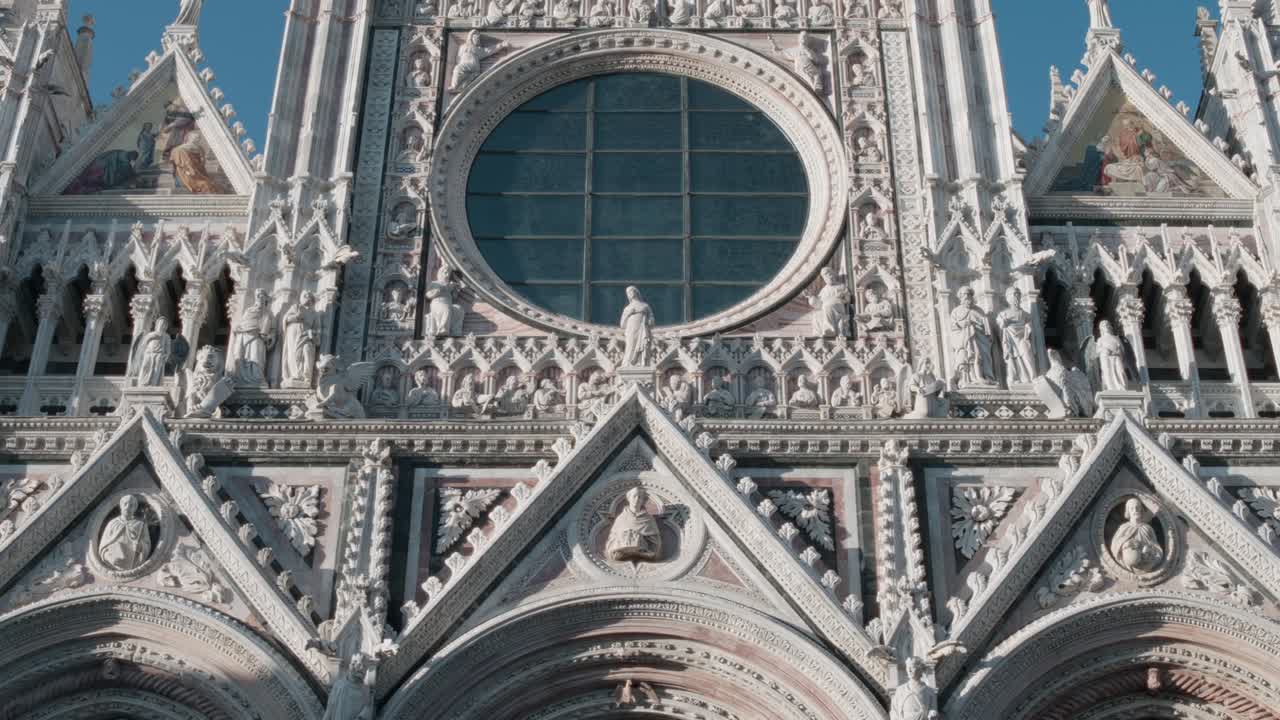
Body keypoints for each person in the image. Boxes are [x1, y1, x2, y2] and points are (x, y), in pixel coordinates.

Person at [949, 287, 995, 386]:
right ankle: (966, 379)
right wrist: (964, 325)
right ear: (960, 297)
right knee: (965, 357)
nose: (966, 296)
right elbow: (953, 327)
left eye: (969, 294)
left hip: (979, 340)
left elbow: (986, 328)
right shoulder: (956, 311)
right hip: (963, 340)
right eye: (964, 295)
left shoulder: (979, 311)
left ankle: (981, 377)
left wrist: (976, 327)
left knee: (979, 357)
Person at [231, 289, 276, 387]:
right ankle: (242, 379)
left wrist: (268, 337)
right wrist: (237, 328)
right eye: (258, 295)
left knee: (256, 357)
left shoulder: (268, 314)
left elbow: (272, 330)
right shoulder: (249, 310)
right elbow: (242, 322)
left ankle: (257, 379)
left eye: (262, 295)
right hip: (244, 335)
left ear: (266, 299)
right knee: (242, 357)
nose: (260, 297)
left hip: (258, 337)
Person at [606, 487, 661, 562]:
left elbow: (655, 542)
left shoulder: (648, 519)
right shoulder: (621, 518)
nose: (637, 499)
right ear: (629, 499)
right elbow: (612, 539)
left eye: (640, 497)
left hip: (644, 552)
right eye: (634, 496)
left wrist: (648, 549)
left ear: (642, 501)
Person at [1109, 498, 1164, 573]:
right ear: (1128, 511)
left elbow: (1156, 547)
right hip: (1128, 559)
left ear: (1141, 510)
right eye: (1132, 508)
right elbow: (1114, 545)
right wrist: (1124, 544)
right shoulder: (1124, 528)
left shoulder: (1147, 528)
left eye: (1137, 507)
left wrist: (1149, 549)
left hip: (1147, 561)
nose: (1135, 510)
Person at [99, 495, 152, 572]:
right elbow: (104, 544)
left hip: (133, 560)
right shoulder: (112, 523)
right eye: (125, 504)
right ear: (121, 506)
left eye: (131, 505)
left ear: (135, 508)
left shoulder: (140, 524)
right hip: (113, 558)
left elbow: (147, 543)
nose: (127, 507)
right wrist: (108, 556)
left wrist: (141, 546)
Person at [997, 287, 1037, 385]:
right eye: (1013, 294)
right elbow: (1000, 327)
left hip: (1023, 339)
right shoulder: (1003, 314)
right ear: (1007, 298)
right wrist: (1004, 323)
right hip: (1010, 340)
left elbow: (1031, 328)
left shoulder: (1025, 314)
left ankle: (1032, 377)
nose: (1016, 296)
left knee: (1027, 354)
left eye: (1017, 294)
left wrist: (1028, 327)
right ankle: (1015, 379)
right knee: (1012, 358)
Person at [282, 291, 319, 388]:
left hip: (306, 335)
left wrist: (313, 333)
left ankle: (305, 378)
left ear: (312, 299)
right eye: (305, 295)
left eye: (309, 296)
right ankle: (295, 375)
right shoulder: (296, 307)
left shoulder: (314, 314)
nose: (307, 297)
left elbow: (317, 330)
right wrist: (296, 317)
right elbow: (286, 319)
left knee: (306, 353)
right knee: (293, 353)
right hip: (293, 332)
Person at [130, 317, 172, 387]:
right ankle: (142, 383)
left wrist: (166, 355)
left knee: (156, 369)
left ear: (166, 326)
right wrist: (151, 337)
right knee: (145, 367)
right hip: (148, 353)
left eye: (164, 324)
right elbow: (143, 344)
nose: (162, 325)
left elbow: (168, 348)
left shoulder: (166, 336)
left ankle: (153, 384)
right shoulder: (151, 334)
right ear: (157, 324)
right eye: (160, 323)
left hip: (159, 354)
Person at [620, 286, 654, 367]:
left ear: (635, 292)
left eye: (630, 291)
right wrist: (629, 314)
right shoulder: (627, 308)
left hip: (642, 329)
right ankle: (628, 363)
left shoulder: (645, 306)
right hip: (631, 330)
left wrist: (649, 321)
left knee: (643, 346)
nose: (629, 294)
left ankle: (641, 362)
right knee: (630, 346)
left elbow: (652, 318)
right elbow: (622, 325)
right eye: (627, 293)